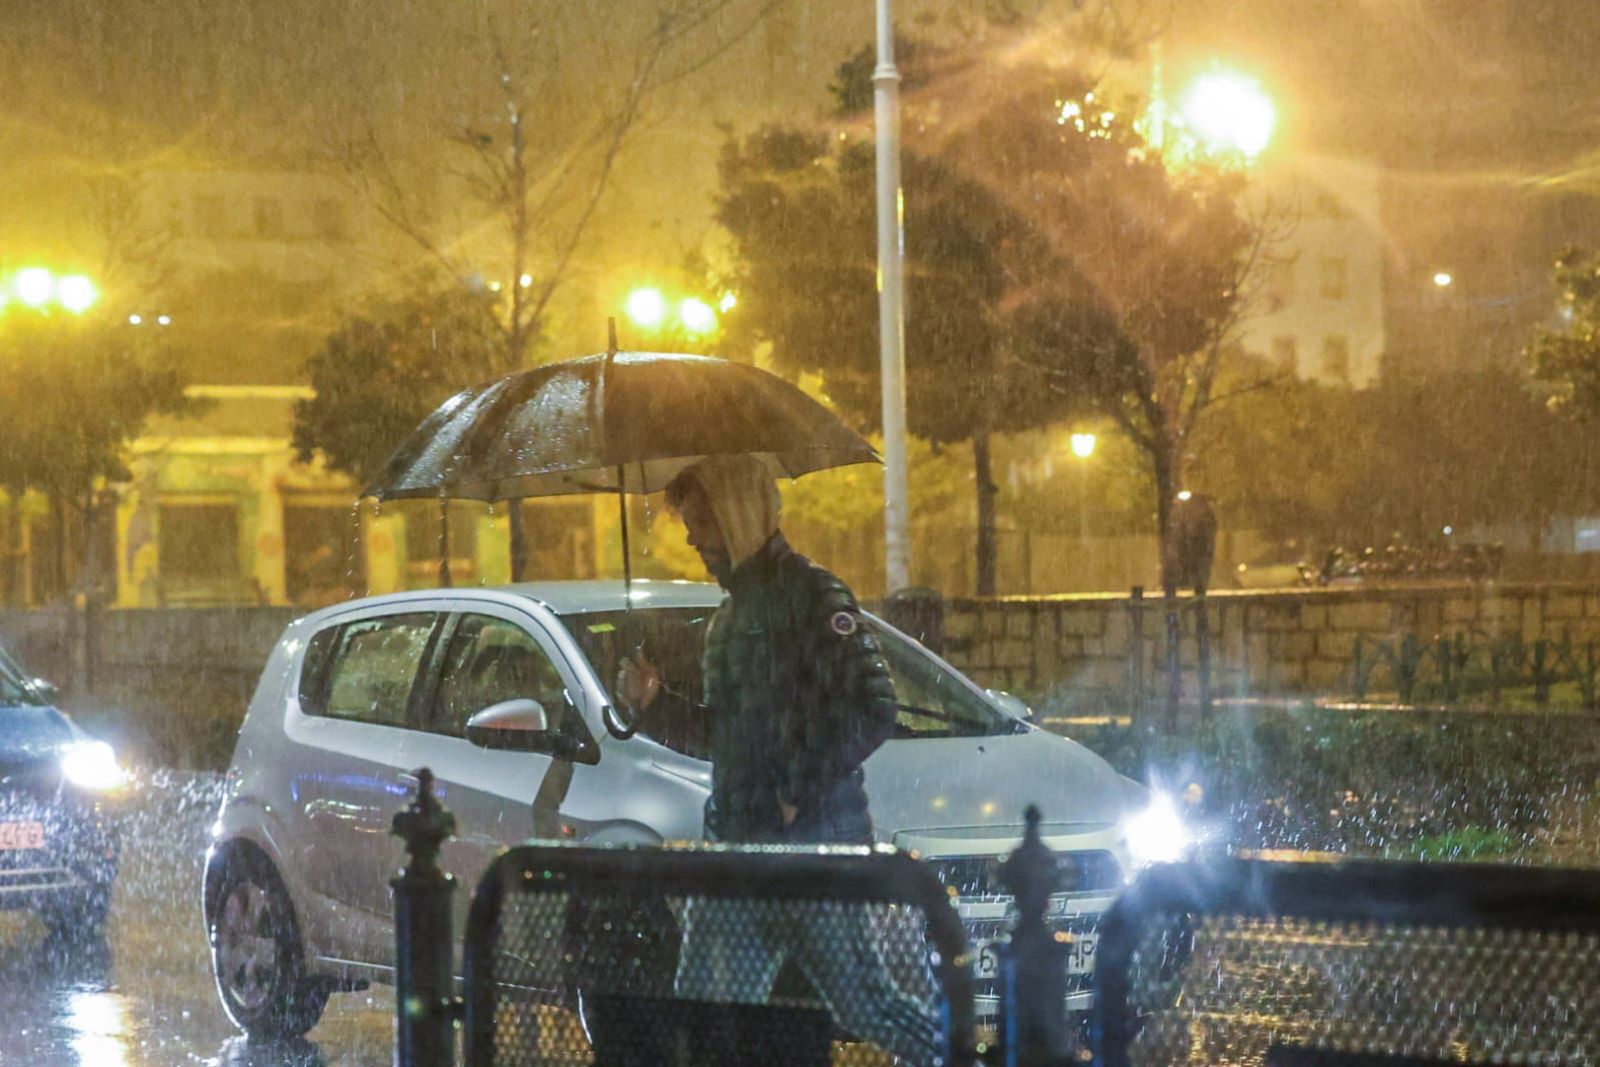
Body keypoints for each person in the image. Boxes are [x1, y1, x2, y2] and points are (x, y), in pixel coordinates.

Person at [617, 453, 941, 1066]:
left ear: (737, 514)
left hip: (812, 846)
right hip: (738, 847)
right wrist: (656, 706)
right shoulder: (729, 619)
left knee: (864, 1003)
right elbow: (728, 738)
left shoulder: (813, 595)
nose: (692, 540)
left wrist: (797, 789)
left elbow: (873, 707)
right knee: (704, 1011)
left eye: (701, 523)